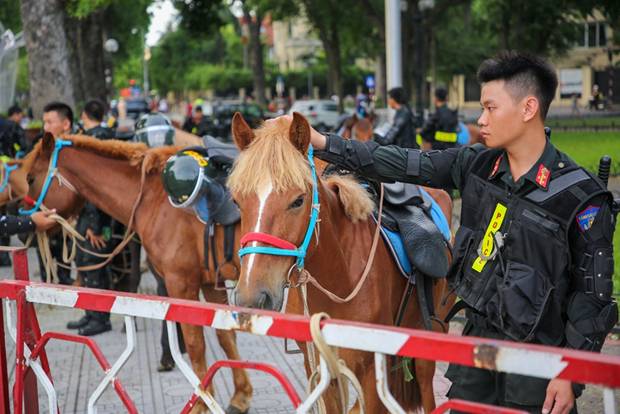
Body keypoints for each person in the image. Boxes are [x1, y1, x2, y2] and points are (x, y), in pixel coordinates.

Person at [307, 51, 617, 413]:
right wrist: (325, 143)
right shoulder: (477, 165)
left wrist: (569, 375)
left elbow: (592, 301)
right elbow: (403, 162)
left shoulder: (580, 196)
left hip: (540, 371)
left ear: (528, 108)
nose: (481, 119)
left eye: (490, 107)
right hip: (475, 358)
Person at [66, 99, 115, 336]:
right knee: (85, 262)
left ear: (84, 114)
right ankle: (91, 313)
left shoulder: (91, 141)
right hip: (97, 213)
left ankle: (100, 318)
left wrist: (95, 226)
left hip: (98, 216)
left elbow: (95, 185)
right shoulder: (108, 136)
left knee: (93, 263)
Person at [37, 102, 76, 285]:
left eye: (50, 122)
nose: (45, 128)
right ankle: (46, 283)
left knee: (66, 252)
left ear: (66, 124)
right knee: (43, 250)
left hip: (70, 218)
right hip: (45, 211)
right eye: (44, 122)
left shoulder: (77, 150)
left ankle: (66, 280)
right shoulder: (42, 147)